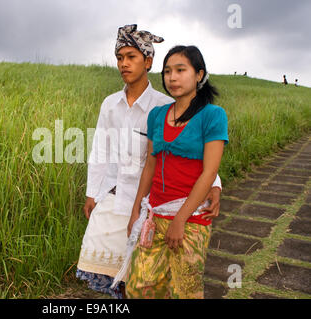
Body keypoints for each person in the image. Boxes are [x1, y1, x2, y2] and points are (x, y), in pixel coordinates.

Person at [75, 25, 223, 299]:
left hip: (149, 203)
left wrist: (215, 184)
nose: (124, 64)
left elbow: (190, 151)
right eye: (120, 57)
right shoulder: (111, 104)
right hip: (115, 197)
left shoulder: (166, 104)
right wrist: (91, 193)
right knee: (109, 271)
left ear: (148, 61)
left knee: (147, 276)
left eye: (131, 57)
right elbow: (100, 151)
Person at [125, 45, 229, 299]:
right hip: (154, 214)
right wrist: (136, 210)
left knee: (185, 289)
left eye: (181, 70)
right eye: (168, 71)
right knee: (140, 287)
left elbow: (209, 171)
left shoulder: (213, 116)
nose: (172, 77)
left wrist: (180, 219)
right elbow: (150, 165)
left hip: (191, 218)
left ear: (199, 75)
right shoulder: (157, 115)